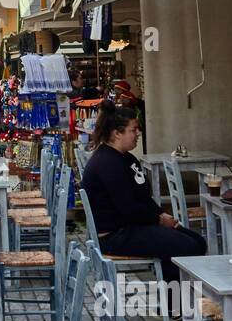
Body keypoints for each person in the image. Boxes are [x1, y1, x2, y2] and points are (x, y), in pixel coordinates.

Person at [81, 101, 206, 283]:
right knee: (186, 246)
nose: (138, 133)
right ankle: (177, 305)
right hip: (115, 235)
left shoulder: (127, 158)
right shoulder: (106, 162)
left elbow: (143, 198)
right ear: (117, 133)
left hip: (134, 225)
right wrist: (159, 220)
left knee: (198, 241)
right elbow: (128, 208)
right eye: (134, 130)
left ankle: (178, 299)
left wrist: (161, 214)